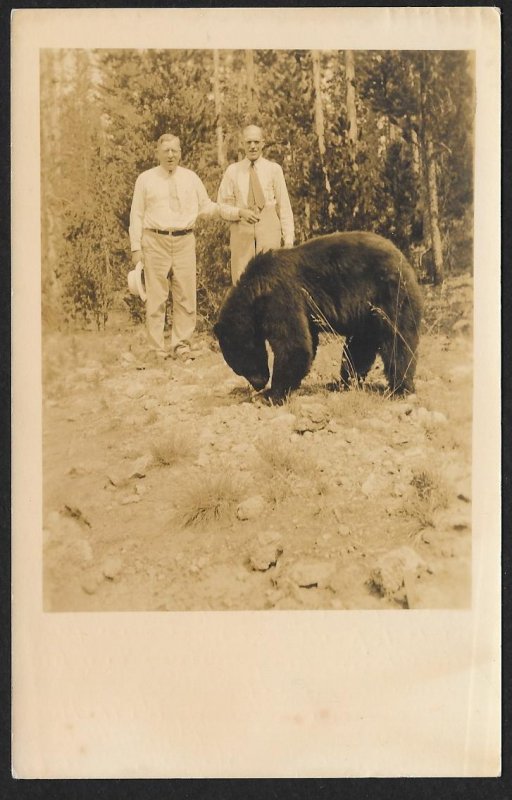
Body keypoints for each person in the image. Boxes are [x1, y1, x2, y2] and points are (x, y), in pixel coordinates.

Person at [129, 133, 240, 363]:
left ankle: (182, 345)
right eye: (166, 151)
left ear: (180, 153)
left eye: (174, 151)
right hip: (154, 240)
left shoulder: (191, 178)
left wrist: (230, 210)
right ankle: (157, 349)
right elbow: (136, 215)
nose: (170, 155)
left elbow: (206, 206)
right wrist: (135, 248)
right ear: (157, 153)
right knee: (156, 297)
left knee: (185, 296)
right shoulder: (146, 179)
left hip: (185, 240)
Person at [217, 124, 295, 284]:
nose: (253, 146)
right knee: (242, 283)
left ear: (263, 143)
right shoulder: (233, 171)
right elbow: (222, 207)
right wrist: (239, 213)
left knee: (271, 280)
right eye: (248, 142)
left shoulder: (274, 170)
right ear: (242, 144)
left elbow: (284, 206)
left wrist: (288, 241)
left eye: (256, 142)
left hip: (269, 231)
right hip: (241, 233)